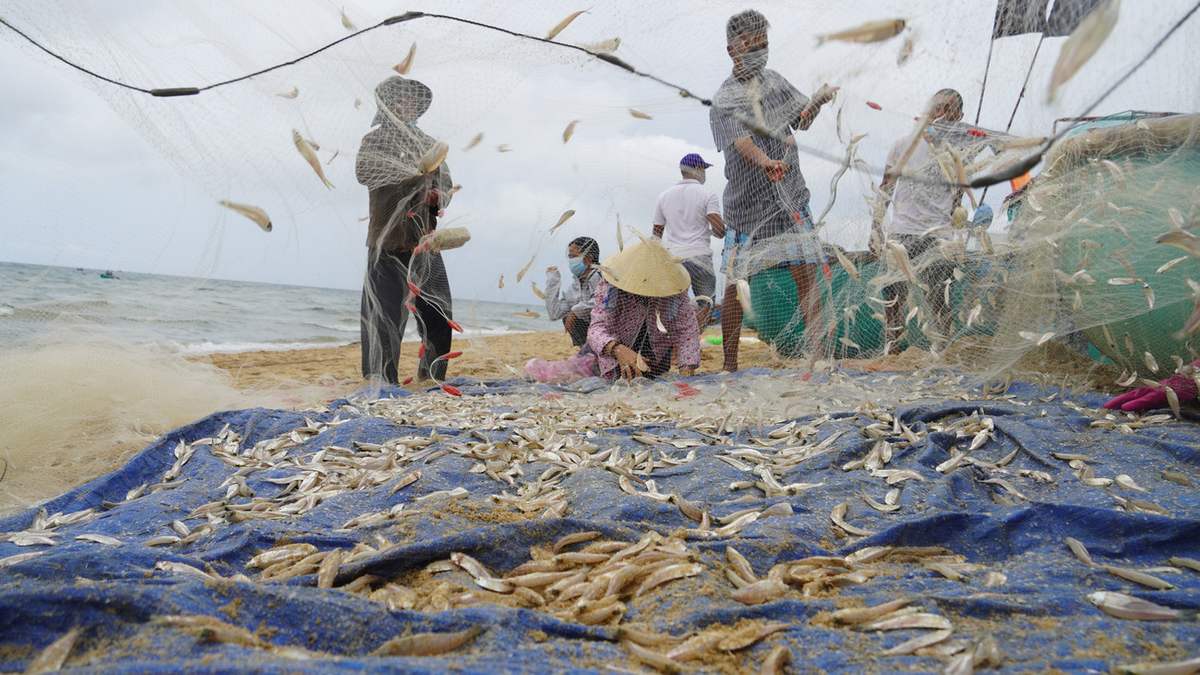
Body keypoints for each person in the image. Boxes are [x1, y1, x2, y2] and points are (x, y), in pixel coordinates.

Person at [710, 9, 837, 372]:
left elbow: (802, 120)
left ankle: (817, 357)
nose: (758, 53)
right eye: (750, 46)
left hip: (789, 198)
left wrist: (819, 99)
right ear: (732, 50)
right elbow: (741, 143)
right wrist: (766, 163)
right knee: (737, 283)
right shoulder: (724, 98)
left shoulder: (776, 82)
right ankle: (730, 363)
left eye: (763, 45)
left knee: (806, 274)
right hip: (747, 207)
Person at [356, 76, 454, 385]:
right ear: (386, 106)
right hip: (386, 243)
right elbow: (365, 172)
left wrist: (439, 195)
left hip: (424, 245)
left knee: (438, 316)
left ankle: (430, 380)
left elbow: (447, 185)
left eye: (412, 100)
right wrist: (413, 175)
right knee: (382, 320)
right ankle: (383, 383)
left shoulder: (431, 145)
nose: (406, 104)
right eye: (399, 99)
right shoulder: (374, 141)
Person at [871, 89, 984, 354]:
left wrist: (958, 218)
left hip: (938, 235)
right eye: (938, 108)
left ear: (960, 116)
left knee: (939, 296)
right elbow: (886, 186)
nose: (943, 114)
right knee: (894, 295)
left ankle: (941, 349)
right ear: (929, 111)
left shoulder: (961, 151)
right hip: (903, 231)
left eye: (950, 110)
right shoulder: (903, 144)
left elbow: (958, 192)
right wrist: (875, 227)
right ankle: (894, 348)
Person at [587, 239, 701, 380]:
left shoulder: (674, 288)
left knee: (653, 381)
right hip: (617, 347)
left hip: (656, 349)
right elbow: (596, 329)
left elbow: (687, 330)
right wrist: (618, 349)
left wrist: (687, 371)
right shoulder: (610, 286)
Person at [652, 153, 726, 328]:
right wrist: (718, 230)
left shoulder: (664, 196)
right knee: (706, 303)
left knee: (672, 305)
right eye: (704, 169)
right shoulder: (707, 195)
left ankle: (674, 342)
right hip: (700, 258)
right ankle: (694, 338)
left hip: (674, 259)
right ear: (699, 170)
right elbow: (719, 230)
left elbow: (656, 235)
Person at [545, 236, 602, 348]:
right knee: (568, 316)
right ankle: (586, 353)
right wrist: (553, 281)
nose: (570, 260)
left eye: (573, 256)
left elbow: (603, 302)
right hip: (591, 334)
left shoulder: (600, 276)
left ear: (588, 258)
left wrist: (575, 311)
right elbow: (554, 313)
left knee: (574, 315)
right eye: (569, 257)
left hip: (608, 331)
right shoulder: (576, 284)